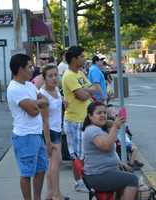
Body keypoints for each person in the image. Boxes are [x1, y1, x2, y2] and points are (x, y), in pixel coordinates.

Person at [7, 54, 51, 200]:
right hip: (24, 136)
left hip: (36, 134)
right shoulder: (14, 88)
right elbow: (33, 112)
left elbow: (45, 101)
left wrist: (35, 103)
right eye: (29, 67)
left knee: (41, 169)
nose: (33, 69)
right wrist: (37, 104)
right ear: (20, 69)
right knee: (26, 174)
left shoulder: (30, 85)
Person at [82, 101, 138, 200]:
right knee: (133, 180)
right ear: (90, 116)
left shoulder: (97, 128)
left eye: (104, 113)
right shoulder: (92, 130)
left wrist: (119, 162)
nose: (103, 115)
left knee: (129, 176)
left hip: (102, 173)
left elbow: (107, 151)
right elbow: (106, 146)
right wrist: (115, 126)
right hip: (97, 175)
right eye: (99, 113)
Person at [62, 46, 97, 192]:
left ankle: (85, 180)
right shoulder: (69, 75)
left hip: (84, 119)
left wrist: (86, 91)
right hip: (74, 121)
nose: (84, 59)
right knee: (77, 154)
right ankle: (79, 182)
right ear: (74, 59)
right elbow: (83, 95)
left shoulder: (80, 73)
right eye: (82, 56)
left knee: (85, 153)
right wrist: (86, 91)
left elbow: (95, 88)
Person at [40, 64, 69, 200]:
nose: (54, 78)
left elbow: (58, 102)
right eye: (50, 76)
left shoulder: (56, 89)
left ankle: (50, 193)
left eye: (55, 75)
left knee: (55, 162)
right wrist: (47, 142)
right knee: (55, 164)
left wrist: (64, 101)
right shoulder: (43, 95)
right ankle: (57, 194)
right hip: (50, 131)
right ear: (44, 78)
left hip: (57, 128)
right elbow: (44, 121)